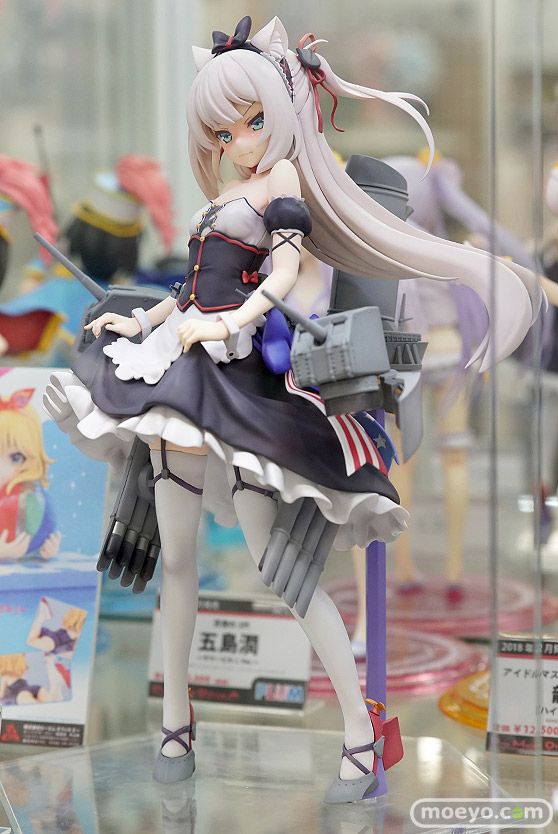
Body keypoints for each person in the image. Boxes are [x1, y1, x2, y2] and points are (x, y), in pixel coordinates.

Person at [45, 16, 540, 802]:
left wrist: (227, 324)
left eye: (250, 122)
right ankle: (175, 721)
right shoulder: (223, 195)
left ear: (278, 114)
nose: (238, 141)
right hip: (180, 373)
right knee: (177, 560)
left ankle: (358, 734)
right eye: (223, 130)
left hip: (235, 383)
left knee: (281, 569)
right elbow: (190, 290)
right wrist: (140, 323)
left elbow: (277, 277)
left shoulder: (279, 183)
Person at [0, 388, 60, 560]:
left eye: (16, 458)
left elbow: (39, 531)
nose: (3, 469)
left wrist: (42, 551)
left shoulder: (31, 497)